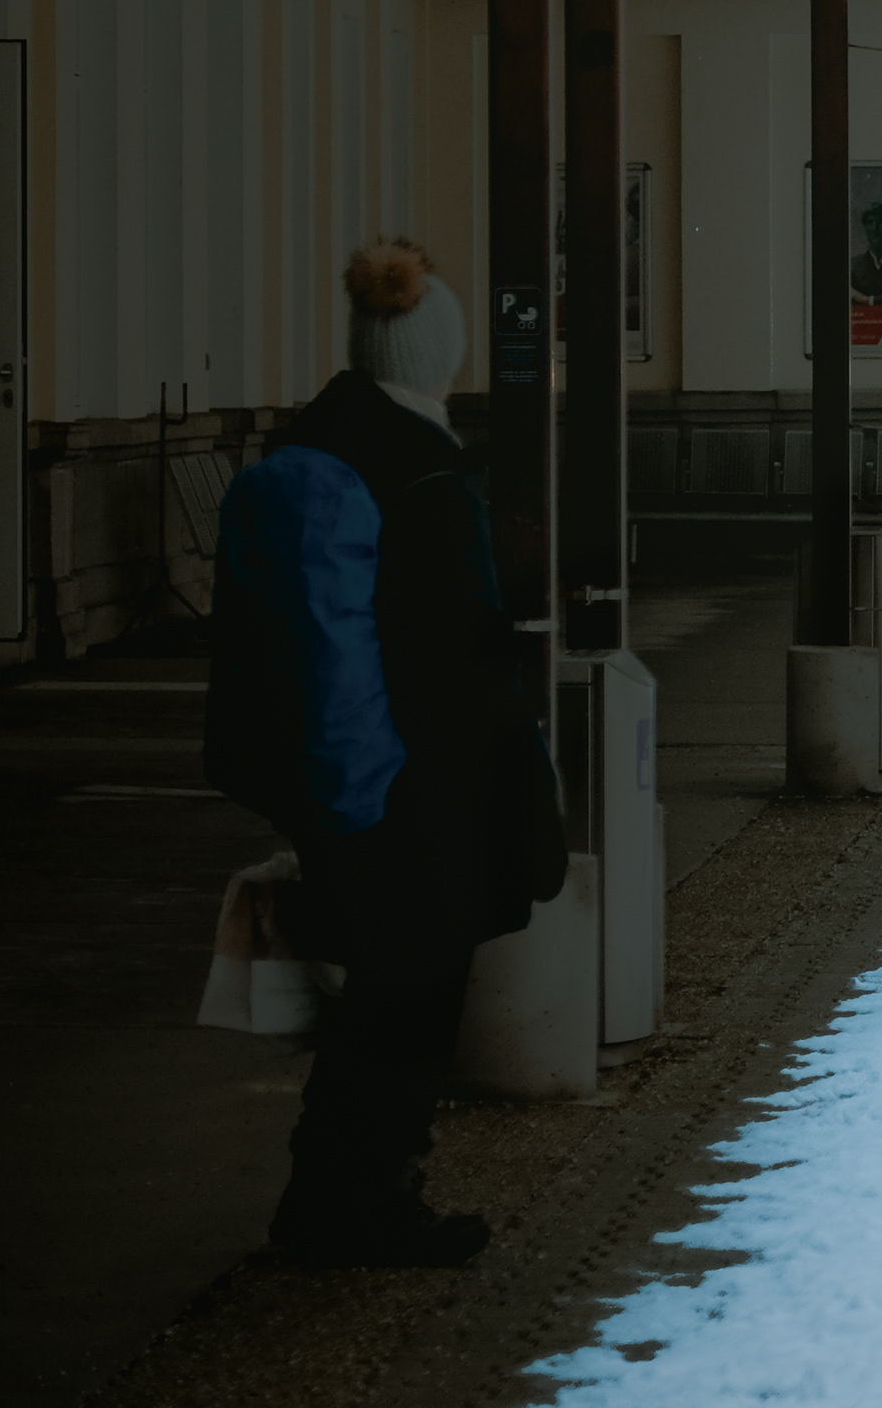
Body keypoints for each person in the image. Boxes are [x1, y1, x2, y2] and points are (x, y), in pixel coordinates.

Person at [206, 239, 567, 1268]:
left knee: (384, 996)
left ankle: (335, 1196)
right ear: (437, 355)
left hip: (364, 782)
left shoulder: (319, 449)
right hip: (413, 788)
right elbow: (401, 647)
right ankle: (362, 1204)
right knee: (405, 1004)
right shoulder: (406, 469)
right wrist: (375, 793)